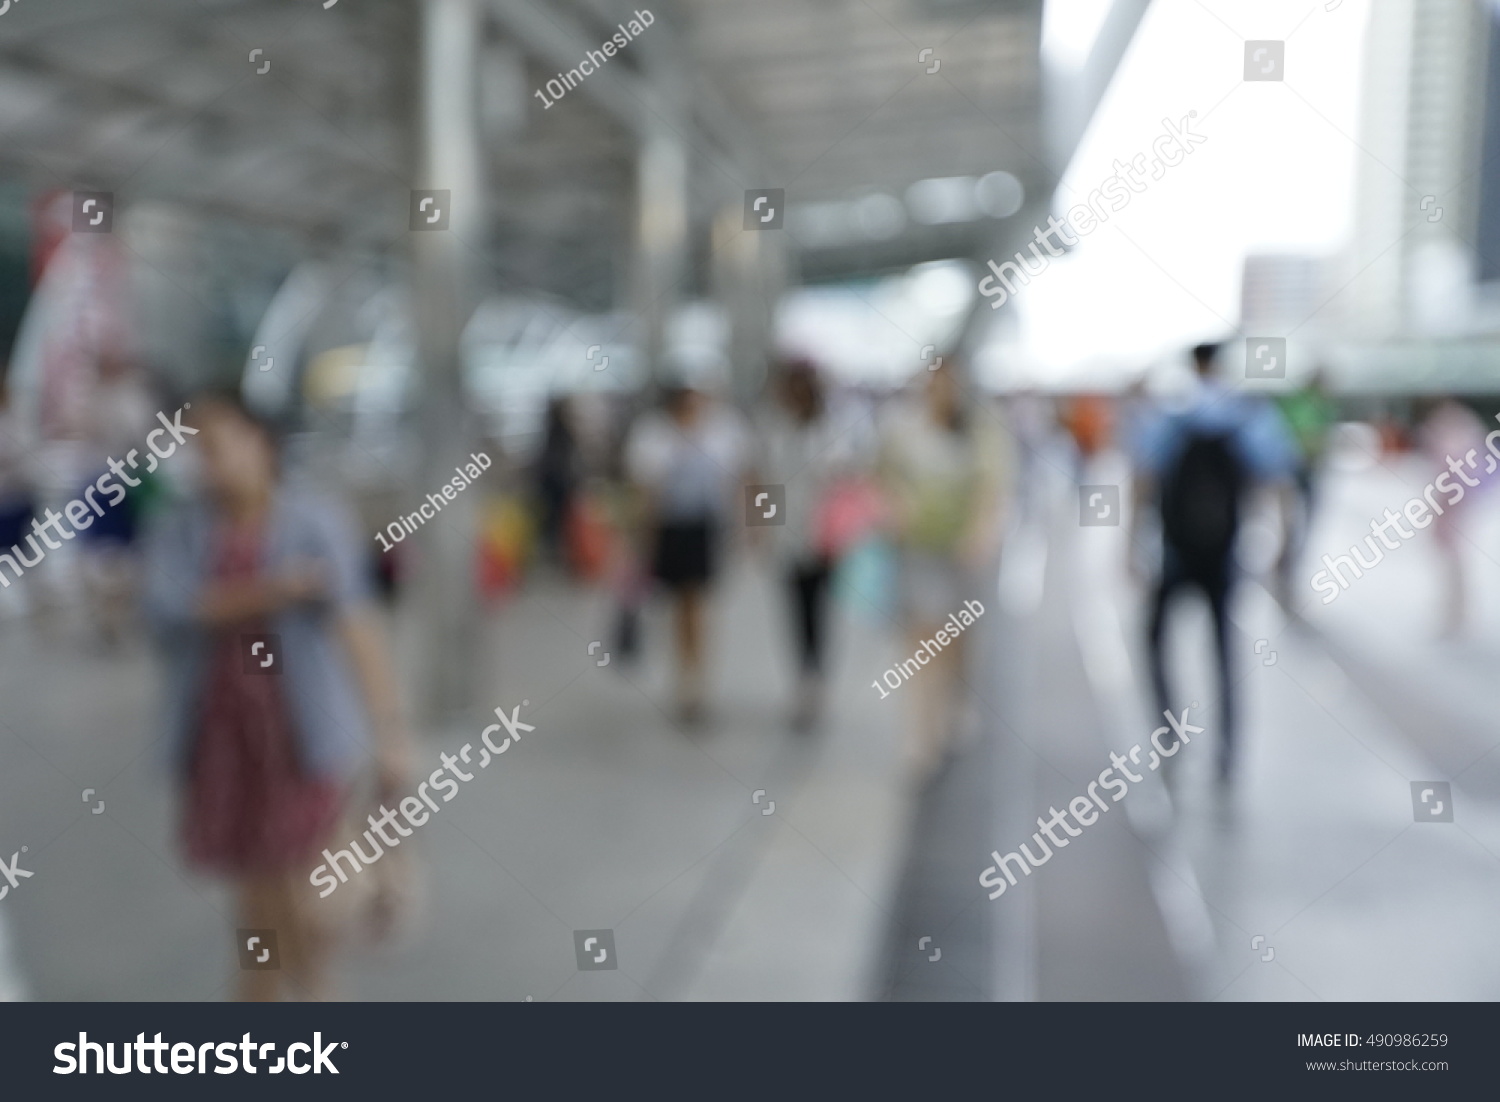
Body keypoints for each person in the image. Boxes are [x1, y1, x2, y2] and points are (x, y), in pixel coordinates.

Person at [141, 394, 412, 1000]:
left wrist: (390, 730)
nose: (205, 462)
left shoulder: (312, 521)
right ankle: (270, 994)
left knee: (308, 894)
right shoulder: (183, 530)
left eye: (214, 444)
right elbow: (169, 609)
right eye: (195, 449)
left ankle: (283, 993)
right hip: (224, 738)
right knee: (259, 893)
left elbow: (357, 628)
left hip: (302, 737)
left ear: (258, 442)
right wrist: (274, 591)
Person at [1131, 342, 1295, 784]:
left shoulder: (1170, 414)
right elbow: (1277, 477)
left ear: (1191, 366)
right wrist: (1283, 543)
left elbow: (1143, 477)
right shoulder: (1247, 413)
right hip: (1225, 553)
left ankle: (1169, 734)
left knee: (1154, 639)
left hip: (1175, 553)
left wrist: (1129, 546)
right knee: (1224, 652)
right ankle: (1228, 749)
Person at [878, 362, 1011, 779]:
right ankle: (921, 735)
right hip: (919, 549)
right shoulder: (902, 429)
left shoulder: (981, 431)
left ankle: (955, 704)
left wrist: (981, 531)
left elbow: (995, 486)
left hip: (963, 553)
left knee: (957, 639)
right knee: (922, 640)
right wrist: (895, 507)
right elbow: (880, 477)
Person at [754, 359, 870, 731]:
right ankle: (803, 677)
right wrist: (763, 528)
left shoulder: (830, 430)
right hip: (788, 535)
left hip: (824, 536)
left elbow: (845, 479)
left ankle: (817, 678)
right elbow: (765, 484)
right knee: (795, 610)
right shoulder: (774, 429)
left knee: (819, 610)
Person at [624, 385, 750, 724]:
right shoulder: (654, 434)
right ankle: (685, 675)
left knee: (696, 603)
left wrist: (743, 526)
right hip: (669, 529)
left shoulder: (722, 431)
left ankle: (696, 679)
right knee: (677, 607)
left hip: (703, 529)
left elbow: (737, 480)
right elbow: (645, 488)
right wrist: (641, 538)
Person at [1273, 370, 1336, 612]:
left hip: (1309, 474)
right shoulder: (1298, 404)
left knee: (1299, 532)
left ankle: (1287, 581)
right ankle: (1282, 582)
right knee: (1289, 531)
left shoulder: (1324, 407)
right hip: (1291, 474)